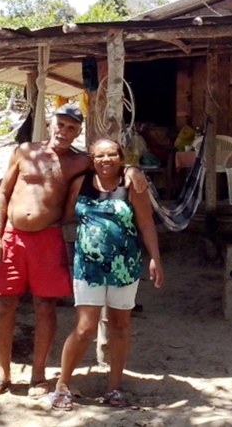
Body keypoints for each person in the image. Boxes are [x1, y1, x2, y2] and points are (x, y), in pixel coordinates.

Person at [0, 104, 147, 399]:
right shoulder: (24, 151)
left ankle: (37, 375)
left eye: (72, 128)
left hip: (47, 238)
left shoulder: (79, 161)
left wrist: (133, 169)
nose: (64, 131)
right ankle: (3, 374)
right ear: (51, 123)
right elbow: (3, 193)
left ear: (78, 132)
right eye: (61, 124)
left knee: (45, 306)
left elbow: (110, 163)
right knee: (4, 305)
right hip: (11, 237)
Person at [48, 138, 164, 411]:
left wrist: (155, 259)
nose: (106, 160)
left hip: (125, 267)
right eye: (100, 155)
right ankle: (62, 386)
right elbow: (66, 217)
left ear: (121, 158)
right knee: (85, 327)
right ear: (92, 158)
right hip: (88, 268)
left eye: (112, 154)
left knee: (120, 326)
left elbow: (146, 224)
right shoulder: (81, 184)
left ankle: (113, 388)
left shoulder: (132, 185)